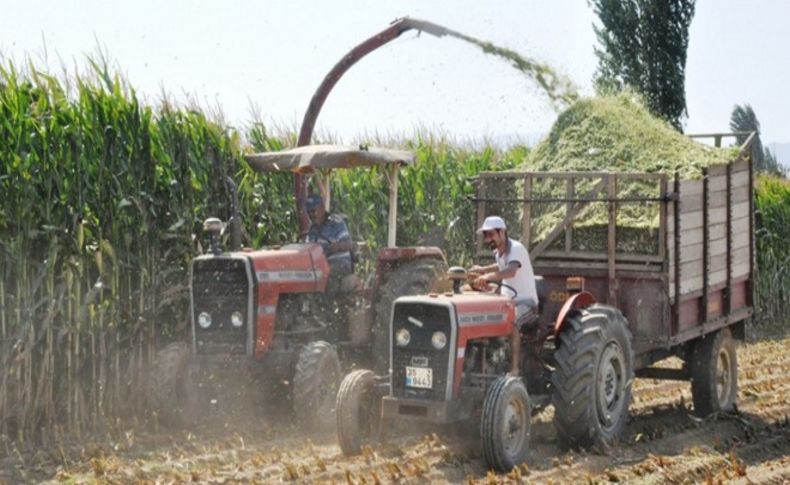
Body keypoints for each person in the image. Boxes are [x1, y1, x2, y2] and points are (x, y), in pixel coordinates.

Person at [469, 216, 538, 376]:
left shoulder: (516, 249)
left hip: (526, 303)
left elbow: (510, 271)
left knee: (512, 321)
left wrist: (488, 277)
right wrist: (482, 270)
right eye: (486, 236)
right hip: (507, 302)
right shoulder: (498, 253)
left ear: (503, 233)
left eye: (491, 234)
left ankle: (514, 370)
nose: (488, 239)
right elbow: (499, 266)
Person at [304, 194, 354, 290]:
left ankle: (326, 304)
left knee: (326, 276)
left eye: (313, 211)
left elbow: (349, 244)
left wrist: (338, 246)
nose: (311, 215)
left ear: (322, 208)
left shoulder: (336, 223)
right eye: (309, 212)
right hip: (320, 265)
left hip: (339, 263)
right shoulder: (312, 229)